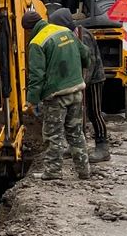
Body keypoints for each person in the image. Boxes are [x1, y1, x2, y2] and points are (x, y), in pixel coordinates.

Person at [22, 10, 90, 180]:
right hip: (76, 90)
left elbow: (36, 75)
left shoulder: (37, 42)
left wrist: (32, 100)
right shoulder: (65, 31)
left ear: (29, 29)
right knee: (76, 132)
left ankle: (53, 171)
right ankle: (84, 170)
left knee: (53, 135)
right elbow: (85, 54)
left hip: (56, 95)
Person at [50, 8, 109, 162]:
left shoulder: (84, 36)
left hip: (94, 79)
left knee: (94, 112)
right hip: (79, 80)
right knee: (76, 115)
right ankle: (76, 146)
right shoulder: (68, 36)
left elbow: (90, 62)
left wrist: (82, 83)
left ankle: (102, 147)